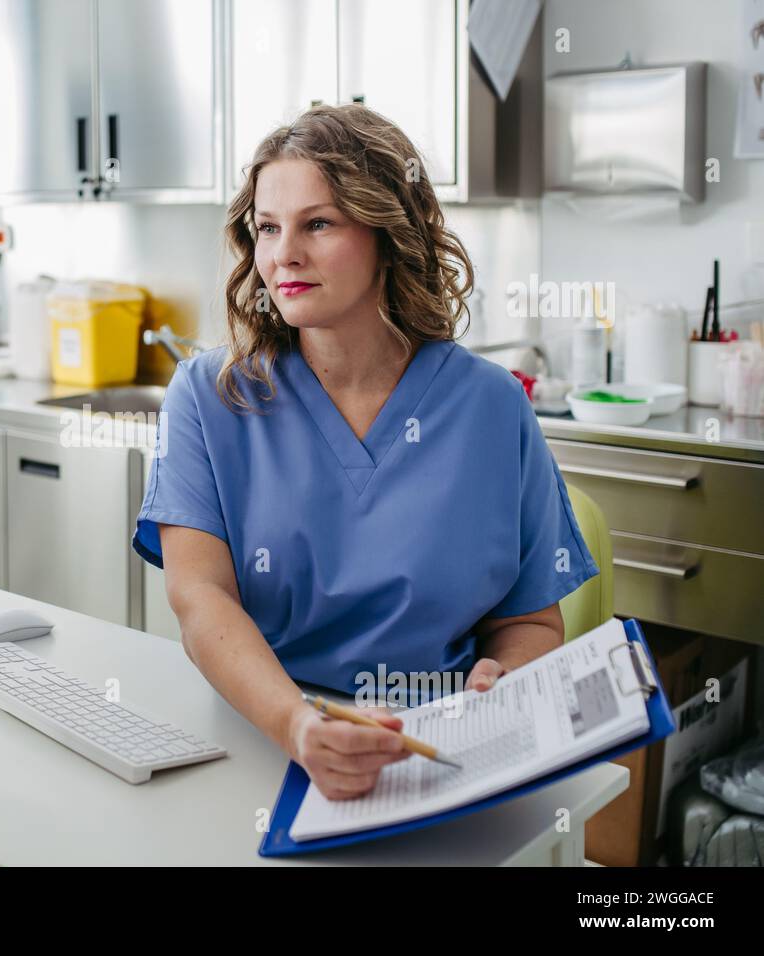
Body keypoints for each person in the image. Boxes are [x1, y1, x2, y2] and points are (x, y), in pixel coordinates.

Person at [133, 105, 599, 803]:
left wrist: (505, 678)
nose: (283, 253)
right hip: (262, 740)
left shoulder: (492, 406)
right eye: (267, 227)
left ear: (388, 234)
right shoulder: (210, 396)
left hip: (443, 756)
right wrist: (298, 727)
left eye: (317, 223)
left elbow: (530, 622)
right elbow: (199, 597)